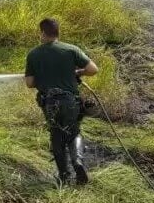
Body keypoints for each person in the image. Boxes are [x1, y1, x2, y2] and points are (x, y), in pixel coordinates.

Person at [24, 18, 99, 185]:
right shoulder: (71, 49)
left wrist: (43, 79)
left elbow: (29, 83)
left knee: (56, 135)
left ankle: (64, 175)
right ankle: (78, 162)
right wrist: (78, 72)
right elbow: (93, 69)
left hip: (50, 103)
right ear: (58, 32)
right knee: (73, 132)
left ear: (43, 33)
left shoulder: (34, 54)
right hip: (71, 102)